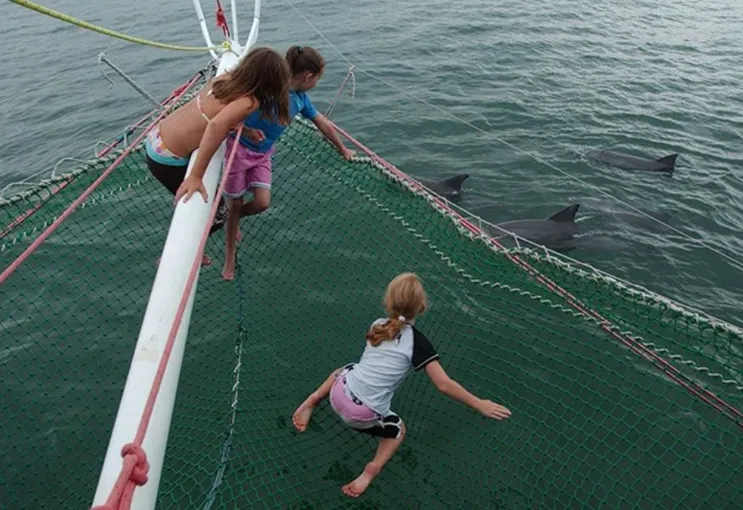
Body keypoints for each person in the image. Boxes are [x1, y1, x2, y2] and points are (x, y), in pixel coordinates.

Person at [291, 273, 511, 498]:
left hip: (337, 394)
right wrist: (479, 403)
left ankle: (311, 401)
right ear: (422, 307)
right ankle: (371, 470)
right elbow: (443, 384)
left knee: (345, 369)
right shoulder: (419, 343)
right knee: (398, 430)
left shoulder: (378, 324)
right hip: (359, 415)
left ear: (388, 301)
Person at [143, 46, 290, 265]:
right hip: (168, 158)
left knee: (213, 208)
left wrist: (247, 131)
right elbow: (215, 126)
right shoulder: (250, 101)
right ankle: (179, 255)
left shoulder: (226, 78)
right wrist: (195, 175)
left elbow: (218, 114)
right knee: (219, 213)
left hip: (157, 137)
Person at [219, 45, 355, 280]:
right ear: (308, 76)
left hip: (262, 156)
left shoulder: (301, 100)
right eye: (317, 80)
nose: (315, 84)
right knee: (237, 201)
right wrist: (248, 131)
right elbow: (229, 115)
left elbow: (322, 123)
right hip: (238, 152)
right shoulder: (268, 89)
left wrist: (343, 149)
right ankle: (229, 256)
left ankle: (232, 216)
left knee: (262, 203)